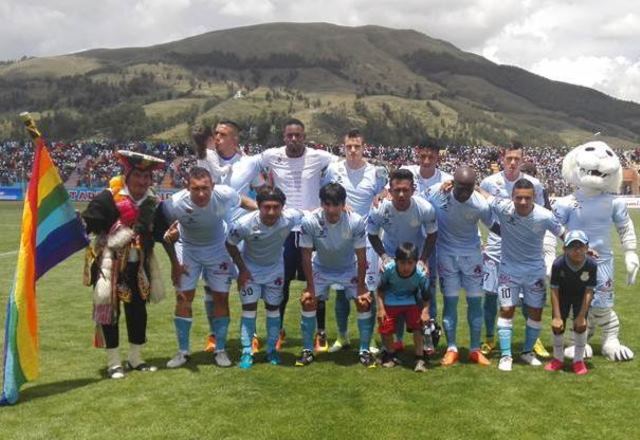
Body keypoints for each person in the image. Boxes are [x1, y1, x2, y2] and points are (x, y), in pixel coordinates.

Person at [160, 167, 256, 369]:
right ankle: (183, 352)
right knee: (183, 298)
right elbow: (166, 234)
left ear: (213, 186)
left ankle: (220, 350)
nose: (201, 194)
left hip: (217, 248)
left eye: (205, 188)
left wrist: (261, 210)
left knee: (221, 297)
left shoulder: (224, 194)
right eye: (196, 189)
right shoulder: (176, 203)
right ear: (188, 187)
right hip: (188, 249)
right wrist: (174, 264)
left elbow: (244, 202)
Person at [81, 150, 166, 379]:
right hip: (110, 266)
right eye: (138, 175)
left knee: (138, 312)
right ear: (127, 175)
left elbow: (159, 232)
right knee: (109, 312)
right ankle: (114, 362)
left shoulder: (152, 203)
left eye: (147, 177)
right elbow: (89, 224)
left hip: (139, 266)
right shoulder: (107, 198)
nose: (142, 181)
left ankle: (136, 358)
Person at [257, 119, 337, 349]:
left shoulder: (319, 157)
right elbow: (250, 168)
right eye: (289, 135)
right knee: (280, 283)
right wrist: (263, 191)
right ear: (284, 137)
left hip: (312, 228)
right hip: (283, 231)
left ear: (304, 137)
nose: (294, 139)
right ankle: (278, 331)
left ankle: (320, 332)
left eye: (298, 135)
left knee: (317, 283)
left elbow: (344, 167)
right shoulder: (271, 155)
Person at [193, 121, 266, 353]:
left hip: (242, 234)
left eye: (222, 134)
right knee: (210, 288)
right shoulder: (205, 161)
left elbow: (263, 192)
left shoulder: (248, 164)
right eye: (215, 133)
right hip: (212, 234)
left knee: (247, 283)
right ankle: (214, 335)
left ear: (235, 139)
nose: (216, 138)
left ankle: (251, 335)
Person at [477, 179, 565, 371]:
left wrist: (585, 249)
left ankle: (527, 352)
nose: (523, 202)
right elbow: (483, 193)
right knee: (507, 310)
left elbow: (564, 234)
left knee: (535, 312)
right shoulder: (503, 207)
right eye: (519, 198)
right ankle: (506, 356)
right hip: (509, 271)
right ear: (512, 197)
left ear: (534, 198)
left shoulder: (545, 215)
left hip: (535, 272)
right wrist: (458, 183)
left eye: (527, 198)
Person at [321, 129, 387, 354]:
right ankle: (342, 337)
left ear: (363, 146)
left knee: (365, 291)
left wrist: (381, 196)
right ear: (343, 146)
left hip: (366, 239)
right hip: (339, 239)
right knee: (340, 291)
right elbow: (325, 194)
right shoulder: (334, 169)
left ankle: (368, 341)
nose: (352, 150)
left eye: (356, 146)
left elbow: (383, 194)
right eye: (348, 146)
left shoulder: (375, 173)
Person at [479, 141, 548, 358]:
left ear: (522, 158)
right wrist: (480, 238)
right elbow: (479, 211)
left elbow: (543, 216)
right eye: (509, 158)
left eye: (516, 159)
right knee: (490, 296)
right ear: (502, 157)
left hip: (524, 253)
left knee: (530, 298)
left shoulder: (534, 184)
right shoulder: (489, 182)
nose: (512, 162)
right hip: (495, 249)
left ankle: (533, 341)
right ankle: (490, 339)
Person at [297, 183, 373, 367]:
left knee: (363, 303)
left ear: (343, 204)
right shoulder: (310, 221)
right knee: (308, 301)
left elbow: (361, 256)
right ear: (321, 203)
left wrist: (362, 287)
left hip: (348, 268)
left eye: (336, 204)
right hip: (321, 268)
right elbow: (305, 255)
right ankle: (307, 349)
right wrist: (310, 286)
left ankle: (364, 350)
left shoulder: (355, 221)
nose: (331, 209)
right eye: (327, 204)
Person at [225, 187, 303, 368]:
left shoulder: (290, 218)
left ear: (283, 207)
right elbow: (229, 243)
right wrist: (242, 270)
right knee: (249, 309)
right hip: (250, 271)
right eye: (266, 207)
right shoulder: (244, 224)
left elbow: (313, 214)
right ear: (258, 206)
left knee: (273, 310)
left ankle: (271, 350)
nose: (271, 212)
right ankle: (246, 351)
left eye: (276, 207)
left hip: (275, 271)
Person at [426, 166, 496, 366]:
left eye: (469, 187)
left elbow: (495, 226)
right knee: (450, 303)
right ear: (452, 183)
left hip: (472, 258)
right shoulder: (438, 194)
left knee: (475, 303)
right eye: (461, 187)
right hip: (446, 257)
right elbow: (416, 201)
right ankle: (452, 348)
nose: (465, 192)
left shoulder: (480, 204)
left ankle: (474, 349)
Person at [367, 168, 438, 351]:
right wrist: (383, 257)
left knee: (424, 296)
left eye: (405, 190)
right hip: (391, 256)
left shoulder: (424, 208)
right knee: (390, 297)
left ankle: (427, 336)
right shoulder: (380, 209)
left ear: (413, 190)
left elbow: (432, 235)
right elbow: (372, 235)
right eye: (396, 190)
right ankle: (394, 340)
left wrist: (423, 260)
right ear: (389, 190)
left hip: (415, 257)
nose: (401, 194)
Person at [400, 140, 452, 337]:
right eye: (423, 156)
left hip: (432, 241)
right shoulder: (407, 172)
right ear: (417, 154)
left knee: (429, 284)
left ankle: (430, 328)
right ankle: (404, 327)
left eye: (431, 156)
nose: (427, 160)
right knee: (402, 282)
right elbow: (391, 190)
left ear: (438, 156)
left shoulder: (446, 178)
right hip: (407, 239)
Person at [545, 230, 596, 375]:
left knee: (580, 326)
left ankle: (578, 361)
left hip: (581, 297)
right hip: (562, 296)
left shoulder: (591, 265)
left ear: (587, 248)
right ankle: (557, 359)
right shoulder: (558, 264)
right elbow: (554, 290)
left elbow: (589, 291)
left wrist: (581, 316)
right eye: (572, 246)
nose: (577, 250)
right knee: (558, 326)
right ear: (564, 249)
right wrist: (556, 316)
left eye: (580, 246)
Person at [376, 242, 431, 373]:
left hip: (410, 301)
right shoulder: (388, 269)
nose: (406, 267)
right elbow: (380, 291)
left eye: (410, 263)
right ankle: (390, 355)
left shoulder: (420, 274)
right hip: (390, 300)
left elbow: (426, 297)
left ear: (416, 262)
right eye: (402, 263)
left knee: (418, 326)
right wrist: (381, 309)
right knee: (386, 325)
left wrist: (425, 312)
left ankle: (419, 358)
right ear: (396, 261)